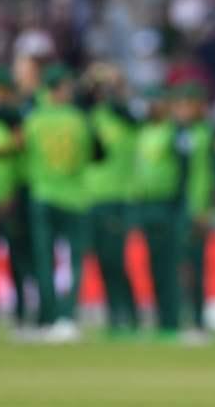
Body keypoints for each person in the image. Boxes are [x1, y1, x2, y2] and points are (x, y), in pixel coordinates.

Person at [23, 63, 92, 341]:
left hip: (42, 195)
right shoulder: (77, 120)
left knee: (44, 261)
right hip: (73, 198)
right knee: (72, 261)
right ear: (60, 89)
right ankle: (66, 317)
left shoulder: (34, 119)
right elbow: (86, 156)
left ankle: (47, 318)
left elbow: (26, 157)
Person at [81, 62, 139, 336]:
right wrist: (91, 82)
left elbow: (128, 113)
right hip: (91, 198)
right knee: (103, 261)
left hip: (118, 198)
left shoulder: (125, 117)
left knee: (115, 260)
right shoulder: (91, 117)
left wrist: (114, 85)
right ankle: (116, 317)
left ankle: (128, 315)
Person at [127, 85, 184, 339]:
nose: (152, 107)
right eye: (149, 103)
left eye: (157, 102)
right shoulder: (142, 131)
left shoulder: (175, 133)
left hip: (167, 205)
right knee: (152, 266)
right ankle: (161, 321)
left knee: (169, 266)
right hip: (144, 204)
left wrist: (181, 206)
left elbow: (185, 172)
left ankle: (172, 321)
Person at [0, 66, 33, 325]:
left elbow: (19, 160)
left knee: (18, 258)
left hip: (11, 198)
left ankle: (22, 312)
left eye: (2, 92)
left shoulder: (16, 123)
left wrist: (13, 194)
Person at [171, 82, 215, 339]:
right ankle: (180, 319)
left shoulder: (208, 134)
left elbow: (214, 175)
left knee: (195, 267)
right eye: (181, 105)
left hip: (198, 208)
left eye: (189, 104)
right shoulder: (177, 133)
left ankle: (197, 322)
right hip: (177, 209)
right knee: (178, 267)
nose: (184, 109)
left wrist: (207, 208)